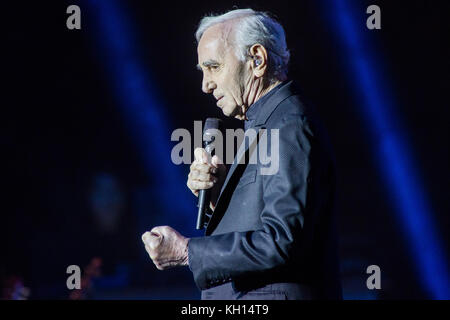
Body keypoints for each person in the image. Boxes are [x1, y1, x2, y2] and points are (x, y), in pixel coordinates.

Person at [141, 8, 342, 300]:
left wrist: (187, 252)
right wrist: (218, 198)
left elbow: (281, 241)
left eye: (214, 67)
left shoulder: (289, 124)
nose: (205, 85)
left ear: (257, 60)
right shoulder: (267, 124)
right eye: (203, 71)